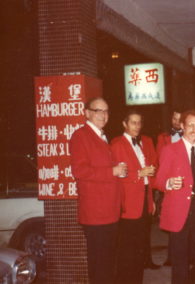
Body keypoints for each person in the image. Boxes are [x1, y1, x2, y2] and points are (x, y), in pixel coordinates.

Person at [155, 109, 195, 284]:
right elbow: (159, 180)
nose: (194, 129)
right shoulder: (170, 150)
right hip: (179, 209)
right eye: (190, 124)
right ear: (182, 126)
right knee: (180, 261)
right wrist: (168, 183)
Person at [70, 97, 127, 284]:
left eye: (106, 111)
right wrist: (112, 171)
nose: (103, 115)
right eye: (98, 111)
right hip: (96, 214)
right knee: (100, 265)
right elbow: (80, 171)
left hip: (109, 212)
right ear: (87, 113)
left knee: (108, 262)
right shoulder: (81, 136)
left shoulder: (101, 136)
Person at [110, 109, 158, 283]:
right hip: (128, 204)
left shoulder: (140, 144)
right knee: (127, 251)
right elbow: (116, 175)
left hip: (144, 199)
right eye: (133, 122)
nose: (137, 126)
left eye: (139, 123)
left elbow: (147, 177)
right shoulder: (117, 144)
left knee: (139, 249)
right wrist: (139, 173)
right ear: (124, 124)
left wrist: (151, 201)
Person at [156, 109, 183, 266]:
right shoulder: (163, 137)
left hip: (185, 179)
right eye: (174, 118)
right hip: (170, 181)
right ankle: (172, 256)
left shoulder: (190, 136)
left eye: (180, 119)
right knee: (172, 219)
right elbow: (160, 158)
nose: (177, 121)